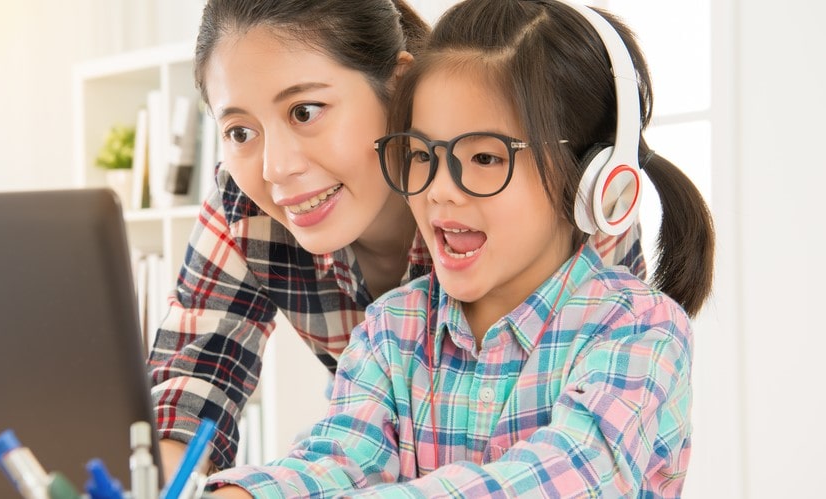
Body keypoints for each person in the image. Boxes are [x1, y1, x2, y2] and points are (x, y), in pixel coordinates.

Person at [203, 0, 715, 496]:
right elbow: (338, 459)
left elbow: (569, 474)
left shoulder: (641, 331)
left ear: (592, 180)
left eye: (487, 158)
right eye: (423, 153)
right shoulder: (390, 330)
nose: (440, 189)